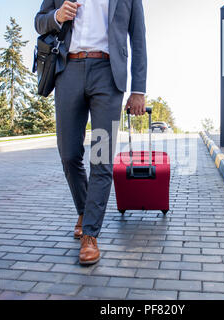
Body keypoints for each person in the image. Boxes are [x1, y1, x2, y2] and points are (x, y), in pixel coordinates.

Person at [35, 0, 147, 265]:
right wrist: (58, 15)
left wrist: (139, 89)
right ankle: (86, 212)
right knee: (69, 154)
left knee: (101, 157)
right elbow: (40, 21)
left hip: (108, 75)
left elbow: (139, 39)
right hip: (68, 71)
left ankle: (90, 235)